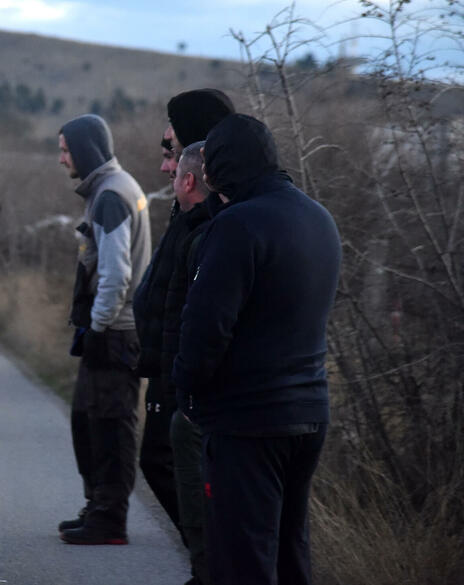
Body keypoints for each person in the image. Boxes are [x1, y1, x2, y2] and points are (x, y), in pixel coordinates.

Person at [173, 114, 341, 585]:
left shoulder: (237, 225)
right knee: (290, 550)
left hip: (248, 420)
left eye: (210, 161)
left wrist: (188, 389)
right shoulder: (317, 217)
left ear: (223, 166)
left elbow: (206, 326)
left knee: (242, 558)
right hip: (310, 412)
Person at [133, 88, 234, 585]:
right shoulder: (191, 194)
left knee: (173, 463)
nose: (164, 139)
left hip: (186, 368)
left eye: (171, 127)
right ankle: (207, 561)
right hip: (170, 360)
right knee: (163, 461)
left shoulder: (212, 204)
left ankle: (211, 562)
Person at [56, 114, 151, 545]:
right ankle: (98, 508)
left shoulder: (111, 195)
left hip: (114, 332)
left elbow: (117, 274)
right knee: (87, 422)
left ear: (85, 150)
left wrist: (97, 326)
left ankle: (110, 520)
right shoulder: (109, 189)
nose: (62, 159)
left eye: (65, 150)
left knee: (111, 428)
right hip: (108, 329)